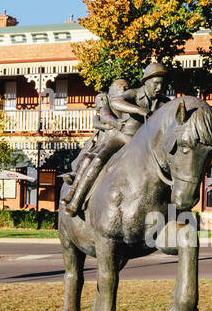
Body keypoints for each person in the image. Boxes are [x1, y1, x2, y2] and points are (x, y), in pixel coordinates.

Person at [63, 61, 168, 217]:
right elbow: (116, 102)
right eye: (156, 84)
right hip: (123, 138)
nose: (159, 88)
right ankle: (76, 200)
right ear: (146, 82)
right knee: (97, 160)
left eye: (162, 85)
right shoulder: (134, 94)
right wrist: (139, 110)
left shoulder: (164, 102)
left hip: (145, 146)